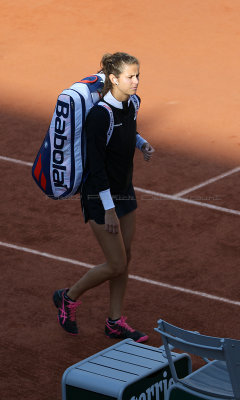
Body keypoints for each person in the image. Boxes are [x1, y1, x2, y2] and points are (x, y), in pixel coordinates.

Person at [53, 52, 154, 343]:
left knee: (126, 258)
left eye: (138, 75)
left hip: (125, 191)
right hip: (100, 197)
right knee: (116, 264)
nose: (136, 81)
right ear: (113, 79)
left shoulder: (133, 103)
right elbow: (95, 167)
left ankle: (114, 322)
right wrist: (108, 208)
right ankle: (68, 298)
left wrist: (142, 142)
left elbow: (126, 132)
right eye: (130, 76)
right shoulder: (98, 116)